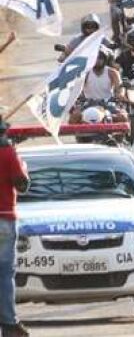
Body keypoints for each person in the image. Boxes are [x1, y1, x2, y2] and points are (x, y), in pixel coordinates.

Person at [0, 116, 30, 337]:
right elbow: (22, 185)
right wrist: (23, 167)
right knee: (4, 274)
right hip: (4, 219)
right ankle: (9, 323)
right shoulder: (9, 153)